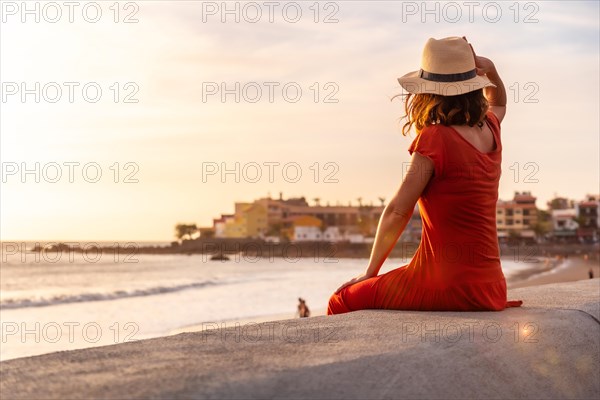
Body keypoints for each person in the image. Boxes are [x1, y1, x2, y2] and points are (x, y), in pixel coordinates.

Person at [328, 37, 523, 314]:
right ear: (474, 86)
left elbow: (398, 210)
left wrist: (369, 272)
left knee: (342, 299)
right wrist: (491, 69)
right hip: (491, 288)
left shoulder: (434, 139)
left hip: (447, 286)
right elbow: (499, 103)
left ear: (429, 92)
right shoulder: (490, 128)